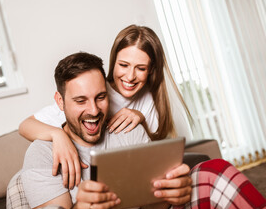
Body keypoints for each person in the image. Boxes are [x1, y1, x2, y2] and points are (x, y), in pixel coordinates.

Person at [21, 52, 266, 209]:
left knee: (213, 174)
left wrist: (168, 191)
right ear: (60, 102)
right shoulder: (41, 154)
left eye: (101, 97)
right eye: (80, 100)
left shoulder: (129, 131)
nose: (93, 110)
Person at [19, 25, 192, 190]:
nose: (130, 77)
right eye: (124, 65)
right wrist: (58, 135)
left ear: (151, 70)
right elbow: (25, 126)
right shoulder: (92, 91)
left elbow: (147, 157)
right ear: (114, 61)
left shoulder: (149, 101)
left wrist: (141, 117)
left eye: (140, 68)